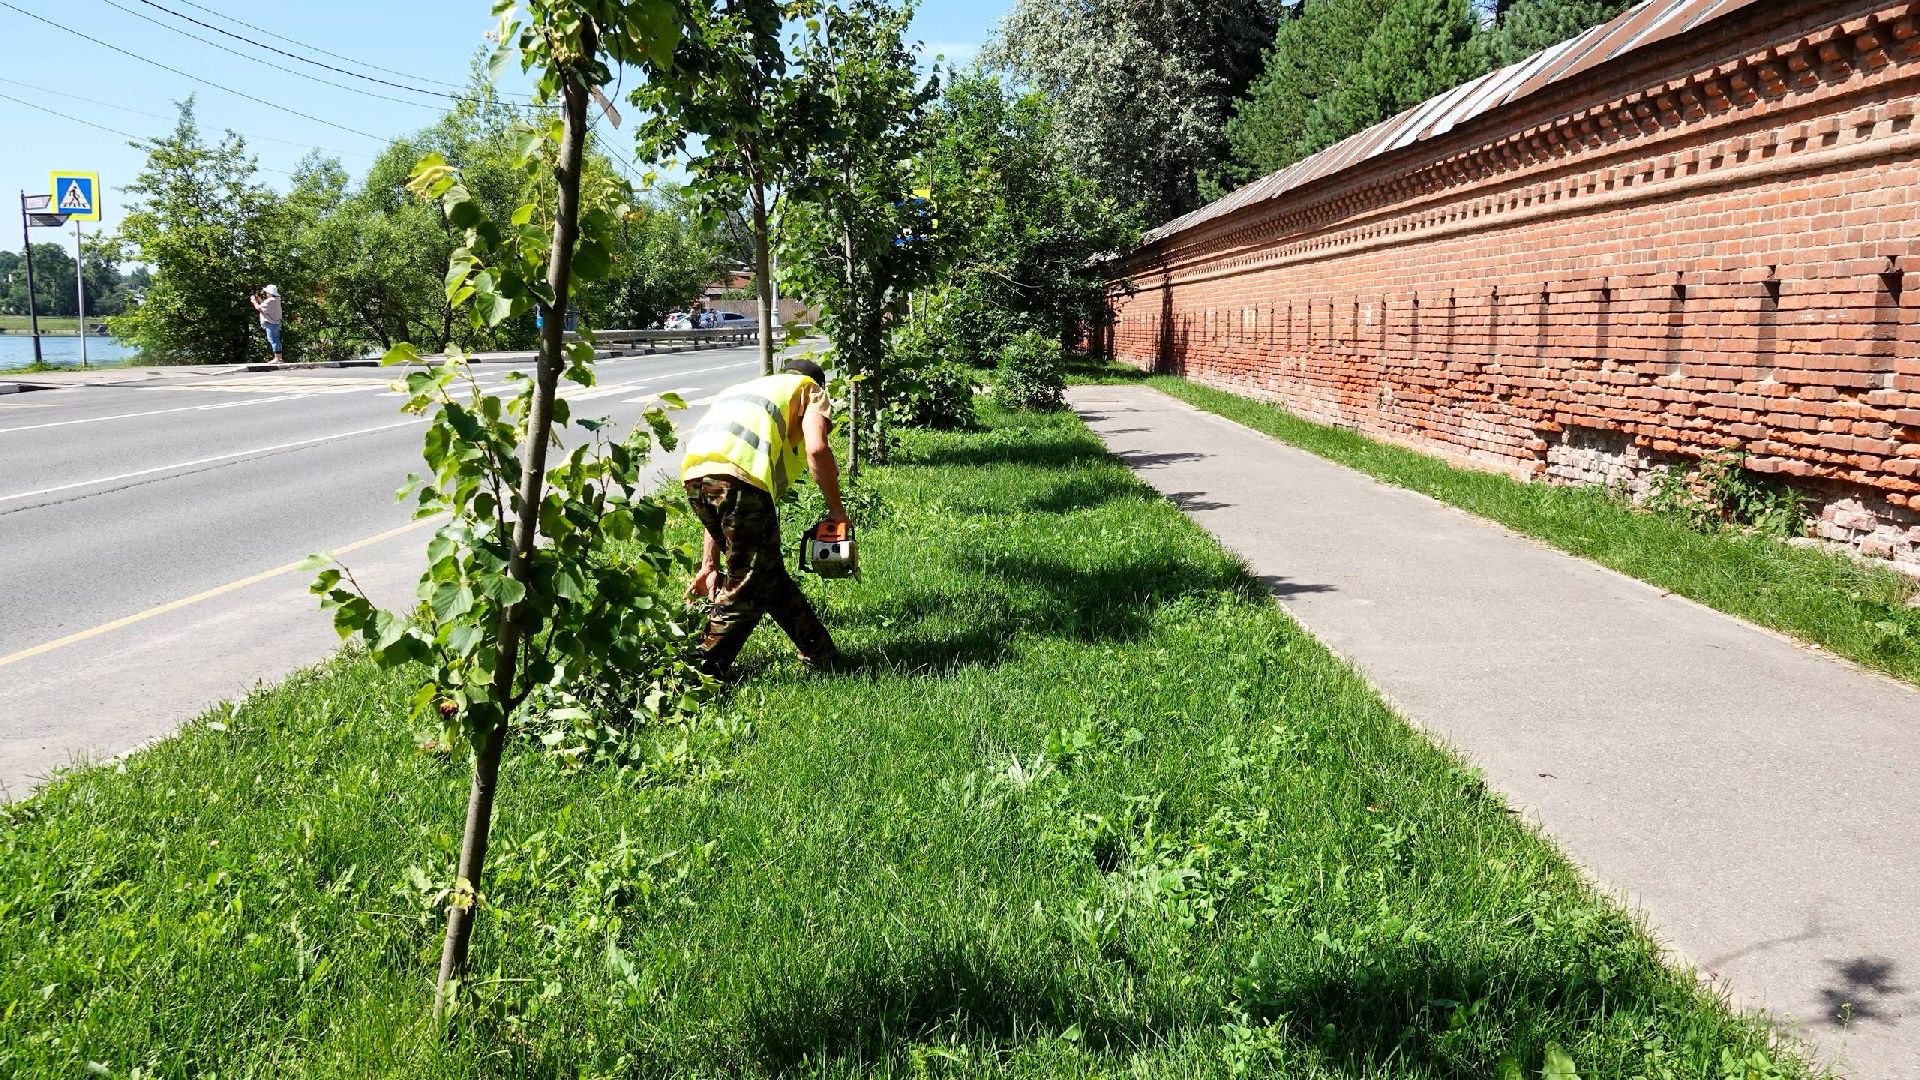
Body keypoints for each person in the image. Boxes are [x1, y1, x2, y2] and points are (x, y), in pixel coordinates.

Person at [682, 357, 847, 677]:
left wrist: (709, 564)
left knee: (769, 574)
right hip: (738, 482)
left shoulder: (753, 389)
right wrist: (837, 513)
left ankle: (822, 653)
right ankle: (697, 673)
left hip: (694, 478)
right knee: (750, 581)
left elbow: (722, 484)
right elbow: (816, 449)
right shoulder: (810, 391)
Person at [249, 285, 284, 363]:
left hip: (271, 322)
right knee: (276, 339)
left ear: (270, 292)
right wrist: (260, 300)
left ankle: (277, 358)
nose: (266, 293)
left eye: (267, 292)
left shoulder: (270, 300)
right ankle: (279, 357)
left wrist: (254, 301)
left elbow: (259, 308)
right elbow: (266, 307)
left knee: (273, 339)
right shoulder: (276, 299)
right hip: (276, 322)